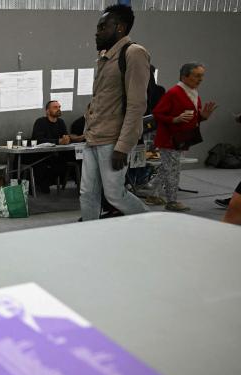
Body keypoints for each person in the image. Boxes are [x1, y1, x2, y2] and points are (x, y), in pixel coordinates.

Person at [79, 4, 149, 221]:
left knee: (114, 195)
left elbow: (137, 105)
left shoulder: (134, 53)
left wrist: (123, 146)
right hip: (93, 138)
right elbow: (100, 100)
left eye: (102, 27)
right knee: (87, 193)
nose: (97, 32)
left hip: (112, 140)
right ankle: (89, 234)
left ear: (120, 28)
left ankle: (150, 224)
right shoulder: (104, 58)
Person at [145, 63, 217, 212]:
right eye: (197, 76)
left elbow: (193, 117)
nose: (201, 79)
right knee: (173, 170)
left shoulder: (193, 93)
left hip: (182, 139)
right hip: (170, 139)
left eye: (202, 76)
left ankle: (152, 193)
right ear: (185, 77)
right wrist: (174, 119)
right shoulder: (174, 93)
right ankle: (172, 201)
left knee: (167, 168)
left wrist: (202, 117)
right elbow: (157, 113)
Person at [30, 100, 82, 193]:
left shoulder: (61, 122)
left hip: (57, 154)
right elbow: (38, 140)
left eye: (59, 107)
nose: (58, 109)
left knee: (71, 160)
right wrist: (58, 141)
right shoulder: (40, 122)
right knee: (43, 164)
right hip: (42, 155)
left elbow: (65, 136)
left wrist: (67, 139)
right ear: (47, 111)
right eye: (55, 107)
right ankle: (42, 184)